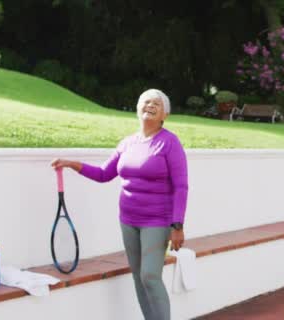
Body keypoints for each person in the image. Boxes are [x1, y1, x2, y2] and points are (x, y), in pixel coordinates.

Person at [51, 88, 188, 320]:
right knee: (138, 276)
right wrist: (73, 164)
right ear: (137, 109)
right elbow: (104, 173)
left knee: (150, 276)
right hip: (128, 219)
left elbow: (181, 187)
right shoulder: (127, 143)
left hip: (157, 220)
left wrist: (177, 226)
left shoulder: (169, 143)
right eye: (145, 101)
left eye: (156, 103)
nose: (150, 106)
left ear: (165, 114)